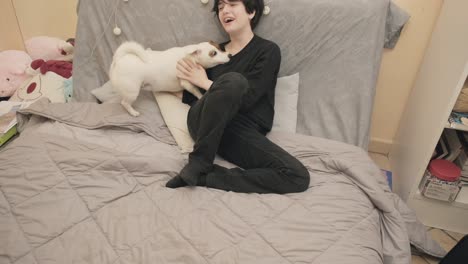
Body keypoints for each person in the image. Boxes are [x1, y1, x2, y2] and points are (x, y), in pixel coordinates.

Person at [165, 0, 310, 194]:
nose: (224, 10)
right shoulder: (212, 52)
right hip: (204, 122)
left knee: (297, 176)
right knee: (234, 80)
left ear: (251, 12)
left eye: (232, 3)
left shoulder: (268, 51)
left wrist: (204, 82)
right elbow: (194, 98)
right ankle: (199, 162)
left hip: (239, 132)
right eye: (220, 7)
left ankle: (205, 176)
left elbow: (249, 97)